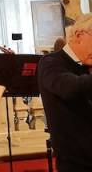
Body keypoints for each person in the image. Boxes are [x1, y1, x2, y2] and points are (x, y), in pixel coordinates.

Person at [38, 13, 92, 171]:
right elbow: (70, 88)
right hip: (76, 163)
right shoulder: (50, 62)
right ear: (79, 35)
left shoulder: (86, 65)